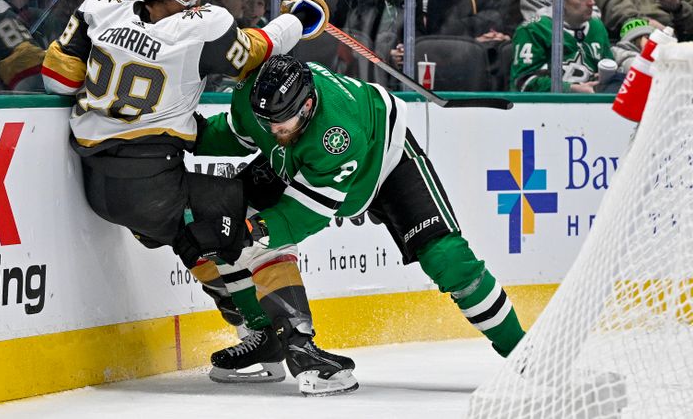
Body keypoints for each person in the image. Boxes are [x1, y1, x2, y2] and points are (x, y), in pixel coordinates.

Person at [40, 0, 340, 392]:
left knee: (195, 240)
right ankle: (302, 350)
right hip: (153, 181)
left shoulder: (100, 7)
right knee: (256, 226)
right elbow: (257, 49)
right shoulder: (202, 28)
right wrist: (299, 18)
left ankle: (256, 335)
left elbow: (57, 78)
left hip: (101, 185)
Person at [192, 54, 526, 395]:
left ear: (307, 106)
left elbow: (303, 215)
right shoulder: (262, 107)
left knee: (448, 258)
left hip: (387, 158)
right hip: (307, 160)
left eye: (283, 126)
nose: (274, 132)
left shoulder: (336, 134)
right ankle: (266, 337)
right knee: (222, 215)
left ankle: (524, 352)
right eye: (269, 125)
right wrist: (177, 135)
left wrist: (254, 230)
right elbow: (236, 134)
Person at [510, 0, 614, 93]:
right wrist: (570, 89)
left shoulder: (597, 26)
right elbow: (523, 83)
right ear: (560, 0)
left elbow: (610, 67)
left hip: (589, 106)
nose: (591, 2)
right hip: (544, 108)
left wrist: (604, 79)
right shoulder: (533, 30)